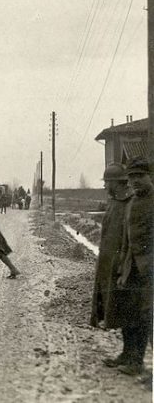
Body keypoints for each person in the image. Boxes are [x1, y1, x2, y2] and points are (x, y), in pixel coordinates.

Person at [114, 158, 154, 377]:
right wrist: (123, 268)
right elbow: (126, 240)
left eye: (140, 176)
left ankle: (137, 361)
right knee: (127, 312)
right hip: (132, 267)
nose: (135, 181)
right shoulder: (131, 203)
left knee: (144, 315)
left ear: (150, 177)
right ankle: (127, 354)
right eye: (131, 177)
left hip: (149, 270)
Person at [91, 164, 132, 352]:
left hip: (119, 256)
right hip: (107, 254)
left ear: (117, 182)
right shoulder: (114, 201)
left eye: (107, 182)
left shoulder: (128, 203)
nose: (105, 186)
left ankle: (119, 330)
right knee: (105, 288)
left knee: (118, 294)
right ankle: (106, 319)